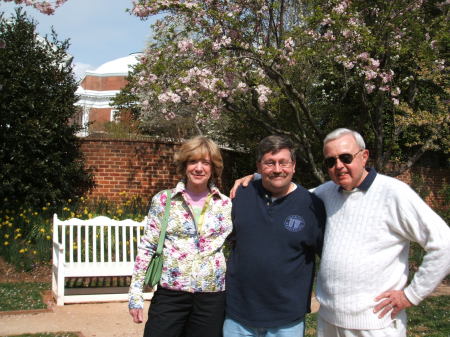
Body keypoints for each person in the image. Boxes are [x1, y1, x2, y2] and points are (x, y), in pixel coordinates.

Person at [231, 128, 450, 337]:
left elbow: (444, 243)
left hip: (376, 322)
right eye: (330, 161)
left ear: (364, 156)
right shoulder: (325, 193)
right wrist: (256, 178)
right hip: (329, 320)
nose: (339, 166)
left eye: (346, 157)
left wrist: (411, 295)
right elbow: (287, 192)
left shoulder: (393, 193)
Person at [129, 136, 233, 337]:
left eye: (206, 162)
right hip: (171, 294)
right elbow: (147, 246)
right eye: (193, 161)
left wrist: (253, 177)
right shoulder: (164, 200)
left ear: (213, 168)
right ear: (184, 165)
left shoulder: (225, 204)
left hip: (211, 298)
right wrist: (136, 294)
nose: (199, 168)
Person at [224, 135, 326, 337]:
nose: (278, 169)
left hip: (287, 320)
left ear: (294, 165)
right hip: (238, 316)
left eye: (284, 162)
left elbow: (328, 256)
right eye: (270, 163)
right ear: (259, 167)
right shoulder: (241, 195)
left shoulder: (312, 205)